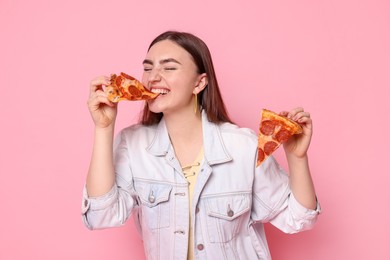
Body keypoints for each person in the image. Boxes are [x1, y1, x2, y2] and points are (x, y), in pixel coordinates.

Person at [82, 30, 321, 260]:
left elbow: (298, 218)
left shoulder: (243, 147)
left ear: (199, 83)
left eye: (169, 67)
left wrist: (297, 158)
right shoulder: (133, 145)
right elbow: (102, 215)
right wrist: (103, 128)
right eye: (147, 67)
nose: (152, 77)